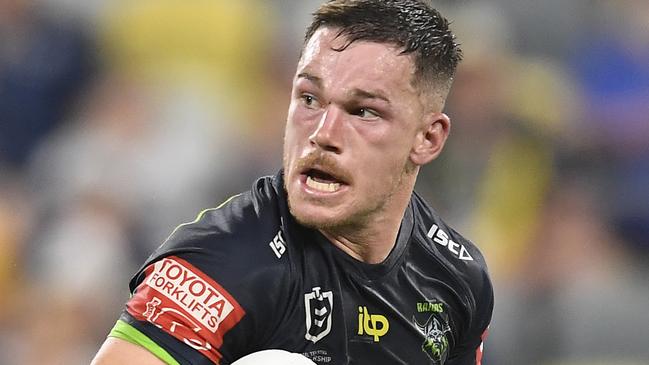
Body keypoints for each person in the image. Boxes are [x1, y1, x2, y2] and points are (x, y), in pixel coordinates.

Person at [91, 0, 494, 364]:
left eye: (364, 111)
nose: (323, 133)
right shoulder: (221, 266)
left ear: (427, 138)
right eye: (309, 99)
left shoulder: (458, 279)